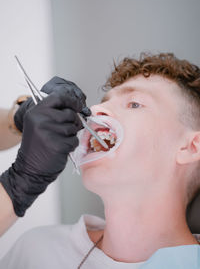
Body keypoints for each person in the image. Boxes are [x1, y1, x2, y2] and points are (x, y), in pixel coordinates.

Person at [0, 53, 200, 269]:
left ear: (191, 147)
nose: (94, 111)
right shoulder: (37, 251)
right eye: (103, 102)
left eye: (134, 104)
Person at [0, 77, 90, 235]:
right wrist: (21, 182)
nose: (100, 108)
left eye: (134, 104)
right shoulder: (33, 246)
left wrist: (19, 117)